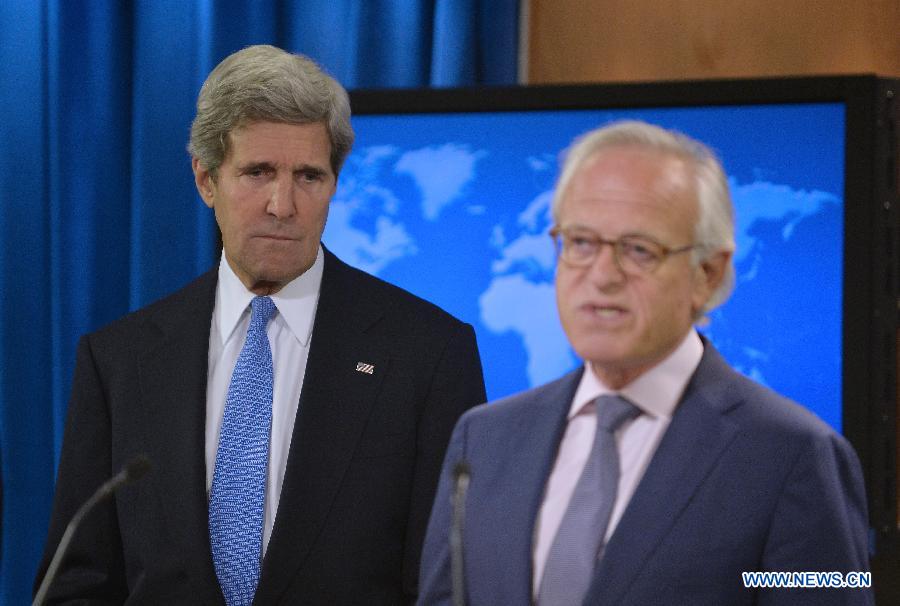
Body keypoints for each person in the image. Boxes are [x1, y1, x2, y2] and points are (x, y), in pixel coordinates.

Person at [35, 45, 486, 605]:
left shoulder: (428, 353)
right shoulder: (119, 361)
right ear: (206, 181)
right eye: (258, 172)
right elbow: (80, 584)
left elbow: (451, 585)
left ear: (334, 185)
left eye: (308, 176)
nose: (283, 204)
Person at [418, 120, 872, 605]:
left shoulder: (796, 455)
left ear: (707, 273)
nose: (602, 275)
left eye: (638, 250)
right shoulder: (484, 439)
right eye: (581, 243)